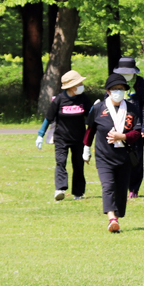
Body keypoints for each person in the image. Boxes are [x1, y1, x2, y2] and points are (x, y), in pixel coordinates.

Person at [84, 73, 142, 233]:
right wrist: (86, 148)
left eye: (121, 89)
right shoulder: (98, 108)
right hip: (104, 156)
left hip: (124, 157)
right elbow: (90, 130)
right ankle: (112, 219)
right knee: (108, 186)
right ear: (108, 91)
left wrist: (122, 136)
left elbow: (138, 132)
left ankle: (117, 214)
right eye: (115, 89)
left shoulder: (132, 109)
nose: (118, 92)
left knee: (121, 190)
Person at [35, 69, 92, 201]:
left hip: (79, 138)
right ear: (71, 86)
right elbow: (48, 118)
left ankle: (78, 193)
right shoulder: (59, 100)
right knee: (61, 162)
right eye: (79, 84)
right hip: (61, 138)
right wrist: (40, 135)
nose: (81, 86)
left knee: (78, 164)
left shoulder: (83, 99)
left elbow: (91, 116)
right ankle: (60, 189)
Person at [114, 56, 144, 199]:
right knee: (118, 158)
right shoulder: (114, 82)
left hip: (136, 126)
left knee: (136, 158)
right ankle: (119, 186)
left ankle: (134, 188)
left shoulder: (140, 83)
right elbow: (107, 102)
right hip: (118, 125)